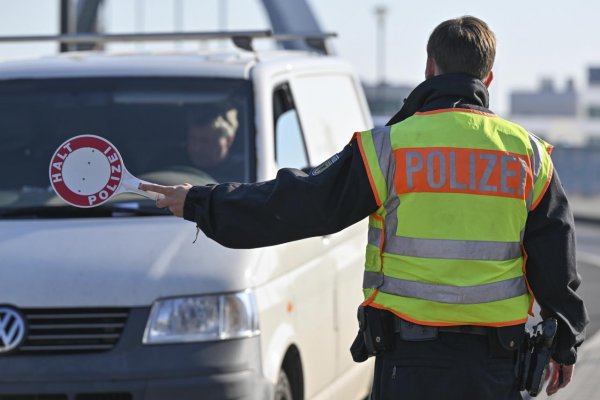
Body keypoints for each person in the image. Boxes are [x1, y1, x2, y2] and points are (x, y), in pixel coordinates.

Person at [140, 16, 588, 399]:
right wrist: (564, 341)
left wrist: (201, 201)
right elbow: (555, 261)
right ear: (488, 79)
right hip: (497, 367)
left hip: (410, 363)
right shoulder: (528, 155)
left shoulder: (389, 148)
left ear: (429, 68)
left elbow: (299, 202)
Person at [185, 105, 239, 182]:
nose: (196, 148)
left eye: (205, 141)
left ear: (228, 140)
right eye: (192, 139)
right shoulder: (175, 162)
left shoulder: (243, 173)